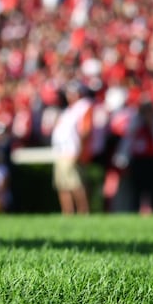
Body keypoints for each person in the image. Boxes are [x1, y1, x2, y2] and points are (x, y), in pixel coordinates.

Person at [50, 85, 91, 215]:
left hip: (71, 151)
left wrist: (80, 150)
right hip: (61, 151)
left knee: (75, 184)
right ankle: (67, 212)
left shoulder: (83, 106)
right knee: (62, 185)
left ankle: (83, 211)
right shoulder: (68, 110)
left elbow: (85, 131)